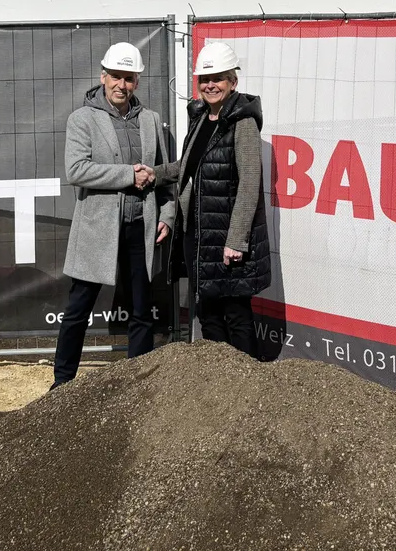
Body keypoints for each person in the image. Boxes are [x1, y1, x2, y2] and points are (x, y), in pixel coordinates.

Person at [51, 42, 175, 389]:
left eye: (129, 78)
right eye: (116, 77)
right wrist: (127, 175)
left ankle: (137, 383)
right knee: (79, 308)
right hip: (98, 228)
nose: (122, 84)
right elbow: (76, 170)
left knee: (141, 307)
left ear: (137, 81)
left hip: (141, 225)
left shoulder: (150, 121)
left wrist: (167, 215)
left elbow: (162, 175)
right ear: (103, 77)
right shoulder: (82, 119)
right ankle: (62, 383)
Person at [154, 41, 271, 356]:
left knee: (235, 314)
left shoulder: (243, 122)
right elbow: (187, 167)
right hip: (199, 233)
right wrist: (153, 175)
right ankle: (217, 387)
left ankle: (248, 384)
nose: (210, 85)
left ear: (232, 81)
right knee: (208, 313)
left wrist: (236, 240)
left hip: (226, 238)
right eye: (204, 79)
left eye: (218, 78)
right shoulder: (201, 118)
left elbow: (249, 181)